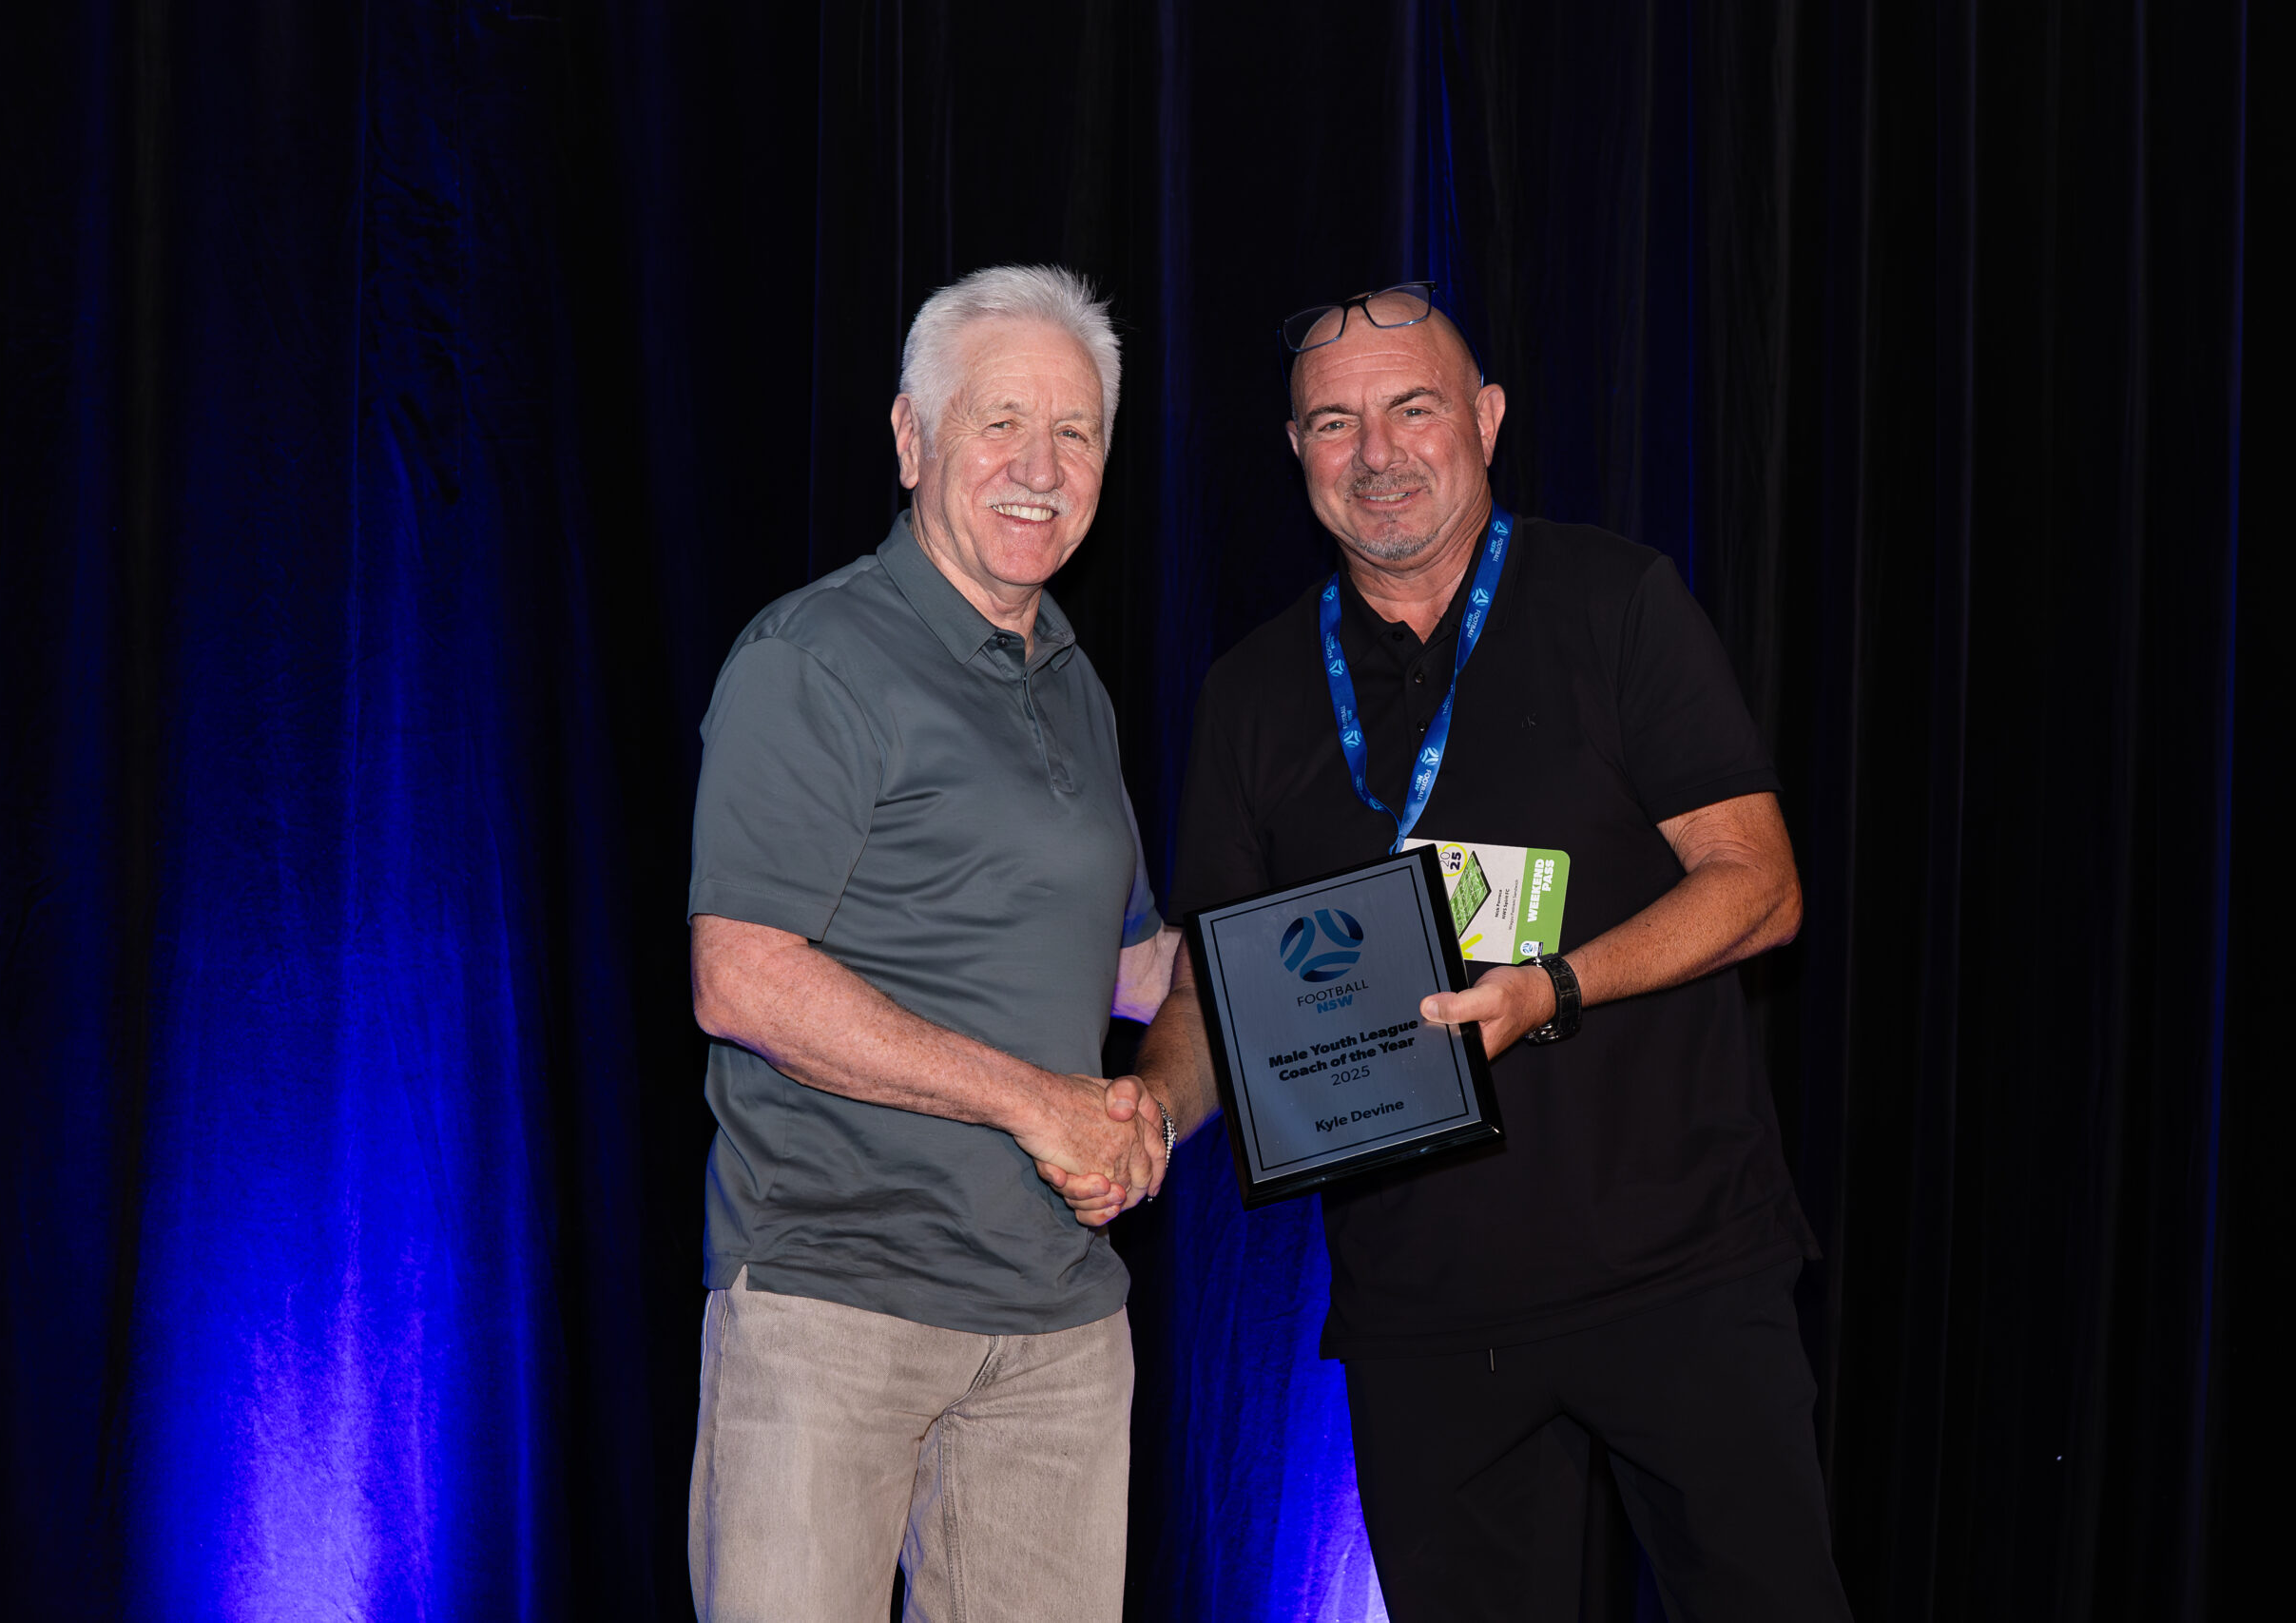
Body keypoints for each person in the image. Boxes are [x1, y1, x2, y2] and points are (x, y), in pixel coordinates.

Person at [1132, 282, 1856, 1621]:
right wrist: (1150, 1111)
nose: (1379, 453)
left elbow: (1760, 886)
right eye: (1334, 423)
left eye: (1413, 408)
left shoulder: (1614, 601)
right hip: (1424, 1314)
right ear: (1297, 454)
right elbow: (1208, 979)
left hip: (1678, 1270)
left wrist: (1558, 988)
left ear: (1487, 417)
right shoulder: (1253, 694)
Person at [684, 263, 1182, 1623]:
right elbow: (740, 975)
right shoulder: (813, 659)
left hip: (1061, 1335)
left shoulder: (1072, 684)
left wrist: (1384, 958)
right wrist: (1040, 1106)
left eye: (1075, 432)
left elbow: (1145, 971)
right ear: (912, 440)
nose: (1040, 465)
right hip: (837, 1313)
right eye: (997, 421)